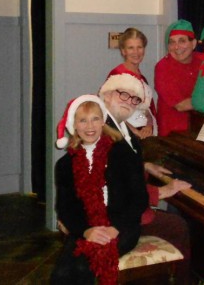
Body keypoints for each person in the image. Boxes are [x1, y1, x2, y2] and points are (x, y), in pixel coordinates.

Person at [98, 73, 192, 284]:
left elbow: (121, 169)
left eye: (135, 99)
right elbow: (116, 185)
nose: (129, 102)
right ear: (107, 94)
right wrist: (163, 192)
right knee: (178, 226)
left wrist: (145, 166)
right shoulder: (105, 132)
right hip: (115, 219)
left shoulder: (115, 125)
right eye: (124, 94)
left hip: (119, 210)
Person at [51, 95, 148, 284]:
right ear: (74, 126)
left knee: (83, 267)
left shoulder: (122, 153)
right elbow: (65, 208)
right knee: (60, 274)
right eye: (83, 120)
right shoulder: (65, 164)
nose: (90, 126)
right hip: (85, 226)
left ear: (103, 121)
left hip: (122, 226)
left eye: (95, 119)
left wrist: (115, 228)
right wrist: (86, 231)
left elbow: (139, 198)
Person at [154, 20, 203, 136]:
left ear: (194, 43)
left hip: (200, 131)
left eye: (182, 41)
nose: (176, 47)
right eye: (172, 42)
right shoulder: (163, 67)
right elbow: (181, 105)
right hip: (174, 136)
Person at [107, 27, 157, 139]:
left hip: (145, 133)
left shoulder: (142, 77)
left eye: (139, 47)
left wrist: (149, 126)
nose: (136, 52)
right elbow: (112, 114)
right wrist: (135, 132)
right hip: (126, 135)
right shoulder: (117, 75)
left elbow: (147, 108)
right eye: (131, 48)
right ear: (123, 51)